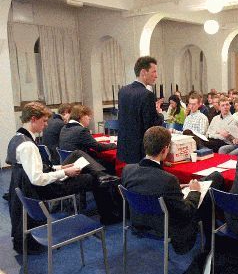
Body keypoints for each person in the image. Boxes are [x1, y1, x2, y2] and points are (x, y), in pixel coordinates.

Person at [7, 102, 117, 254]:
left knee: (85, 168)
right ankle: (107, 214)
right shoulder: (28, 146)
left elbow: (36, 169)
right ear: (33, 119)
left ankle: (104, 190)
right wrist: (65, 173)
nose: (46, 125)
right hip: (44, 188)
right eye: (44, 121)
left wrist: (61, 167)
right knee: (91, 179)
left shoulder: (17, 138)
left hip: (29, 187)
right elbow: (37, 178)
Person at [121, 126, 223, 257]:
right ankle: (211, 244)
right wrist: (194, 192)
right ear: (165, 150)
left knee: (210, 179)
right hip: (166, 226)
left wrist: (178, 189)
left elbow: (147, 186)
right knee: (208, 194)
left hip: (138, 220)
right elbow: (186, 212)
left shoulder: (128, 170)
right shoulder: (168, 180)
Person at [118, 56, 164, 164]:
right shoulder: (147, 95)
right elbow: (150, 126)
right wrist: (159, 115)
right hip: (140, 151)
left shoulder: (123, 91)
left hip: (124, 148)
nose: (156, 76)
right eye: (154, 72)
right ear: (143, 72)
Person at [59, 105, 117, 172]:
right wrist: (115, 145)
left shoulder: (64, 128)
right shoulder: (81, 130)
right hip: (80, 164)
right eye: (88, 116)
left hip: (67, 162)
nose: (90, 118)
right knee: (110, 162)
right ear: (81, 116)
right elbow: (98, 147)